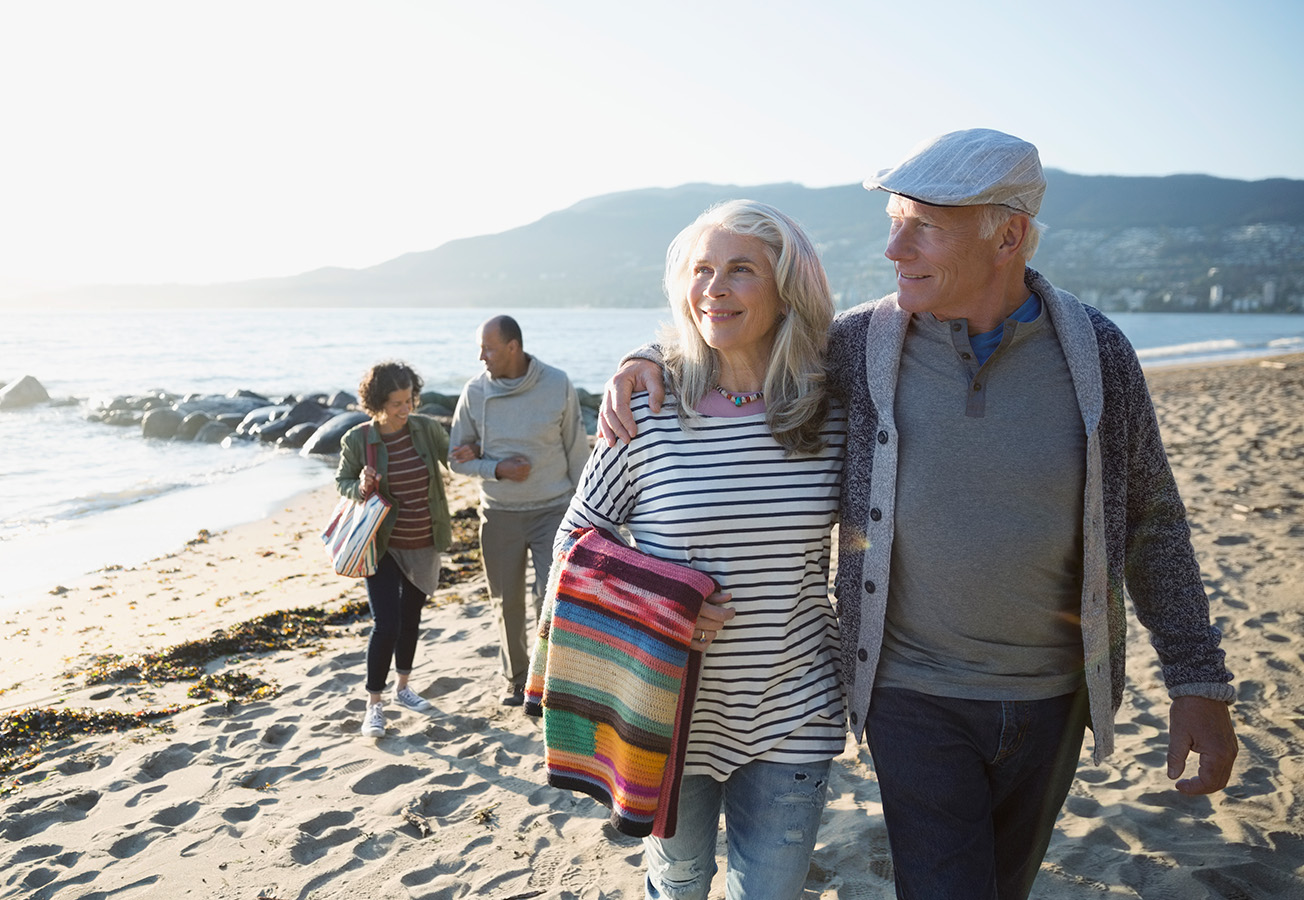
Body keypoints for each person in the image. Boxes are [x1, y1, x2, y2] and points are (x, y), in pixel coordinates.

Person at [600, 129, 1238, 899]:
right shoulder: (860, 347)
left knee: (1003, 885)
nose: (894, 247)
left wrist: (1195, 678)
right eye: (894, 221)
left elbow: (1150, 520)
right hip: (911, 693)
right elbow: (739, 344)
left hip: (1054, 694)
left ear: (1008, 236)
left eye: (923, 226)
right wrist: (646, 358)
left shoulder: (1097, 353)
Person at [560, 200, 846, 900]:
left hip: (795, 708)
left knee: (769, 892)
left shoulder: (833, 410)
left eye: (740, 270)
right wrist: (663, 603)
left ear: (787, 291)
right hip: (667, 710)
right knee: (680, 881)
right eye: (702, 269)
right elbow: (575, 540)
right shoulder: (647, 409)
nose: (714, 287)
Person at [449, 315, 590, 706]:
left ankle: (551, 680)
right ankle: (516, 679)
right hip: (499, 514)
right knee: (505, 600)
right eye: (480, 348)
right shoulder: (475, 393)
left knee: (554, 597)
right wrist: (495, 468)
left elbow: (576, 449)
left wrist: (588, 513)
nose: (481, 357)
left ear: (514, 347)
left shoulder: (557, 383)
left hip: (554, 511)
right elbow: (455, 459)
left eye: (489, 348)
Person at [334, 361, 452, 739]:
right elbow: (343, 482)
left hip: (424, 539)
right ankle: (374, 705)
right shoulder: (359, 439)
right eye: (396, 403)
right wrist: (361, 485)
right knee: (386, 624)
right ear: (377, 402)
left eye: (409, 400)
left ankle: (403, 688)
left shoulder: (426, 429)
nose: (405, 409)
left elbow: (456, 458)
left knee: (411, 617)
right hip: (381, 543)